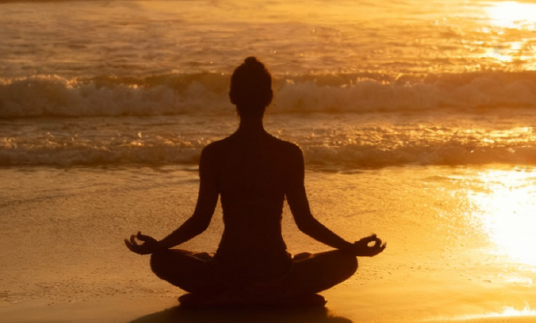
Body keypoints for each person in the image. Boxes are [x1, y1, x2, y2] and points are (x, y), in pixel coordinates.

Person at [125, 57, 385, 306]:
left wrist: (159, 246)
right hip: (276, 272)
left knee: (160, 260)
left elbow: (200, 221)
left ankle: (228, 294)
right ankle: (279, 293)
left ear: (232, 98)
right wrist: (351, 248)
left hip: (226, 272)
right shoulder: (289, 153)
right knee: (347, 261)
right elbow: (305, 222)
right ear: (269, 98)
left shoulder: (215, 153)